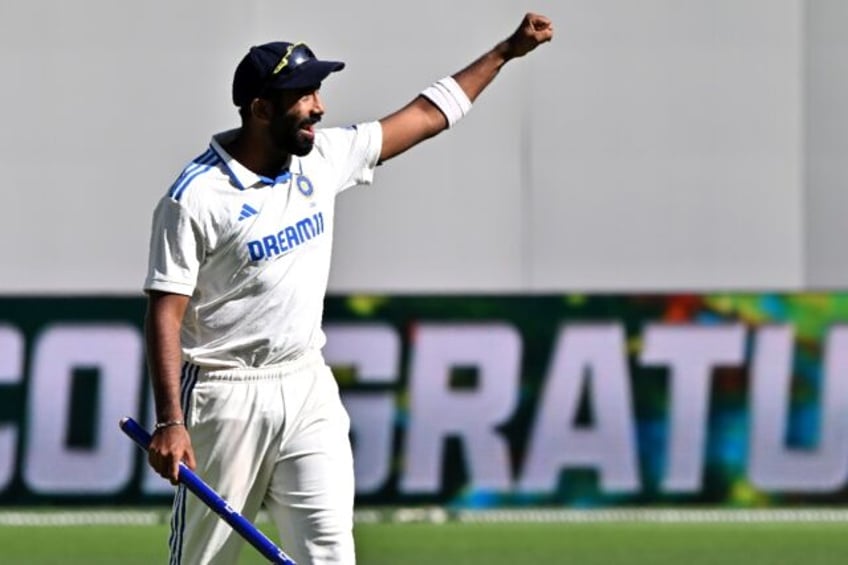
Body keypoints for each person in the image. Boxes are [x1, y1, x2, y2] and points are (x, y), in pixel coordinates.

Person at [143, 12, 553, 565]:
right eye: (303, 95)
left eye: (318, 91)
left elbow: (428, 115)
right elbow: (165, 315)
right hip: (223, 394)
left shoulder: (325, 157)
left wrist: (505, 52)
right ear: (261, 109)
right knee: (203, 561)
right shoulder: (194, 197)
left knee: (331, 554)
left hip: (307, 382)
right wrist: (171, 421)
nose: (319, 106)